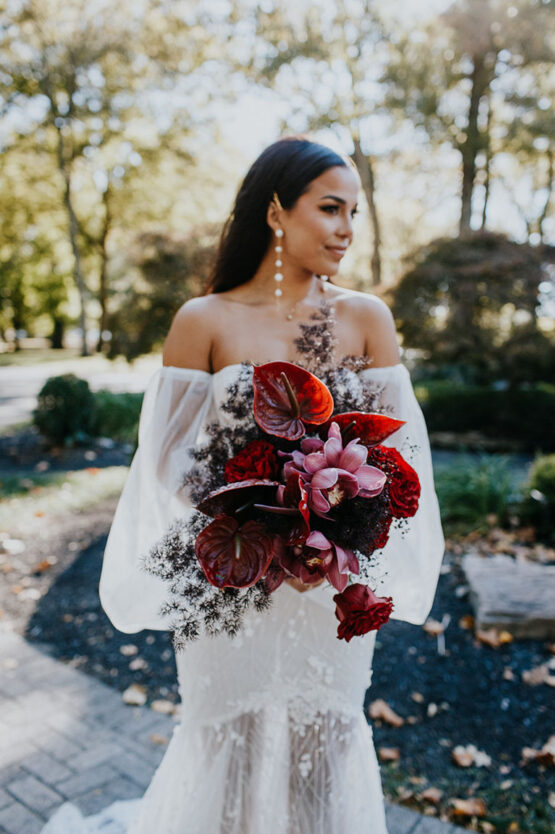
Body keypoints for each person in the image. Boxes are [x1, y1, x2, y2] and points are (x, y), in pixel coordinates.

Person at [42, 135, 445, 833]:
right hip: (228, 584)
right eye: (330, 208)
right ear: (274, 212)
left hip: (328, 586)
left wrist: (324, 541)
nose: (347, 229)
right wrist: (260, 536)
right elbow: (166, 462)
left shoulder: (364, 319)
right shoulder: (203, 321)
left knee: (324, 745)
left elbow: (395, 456)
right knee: (225, 751)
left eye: (354, 212)